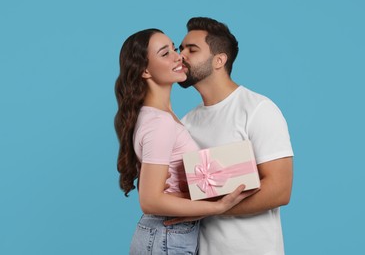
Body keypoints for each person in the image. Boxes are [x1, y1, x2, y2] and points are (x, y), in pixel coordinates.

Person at [114, 28, 256, 255]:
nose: (178, 56)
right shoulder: (159, 122)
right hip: (166, 237)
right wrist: (217, 207)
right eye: (164, 53)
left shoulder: (162, 117)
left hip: (168, 236)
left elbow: (161, 188)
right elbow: (150, 200)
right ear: (145, 71)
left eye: (173, 48)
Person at [167, 17, 294, 254]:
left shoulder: (257, 109)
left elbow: (279, 188)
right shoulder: (185, 123)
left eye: (191, 49)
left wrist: (209, 207)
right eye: (180, 48)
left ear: (219, 60)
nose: (180, 55)